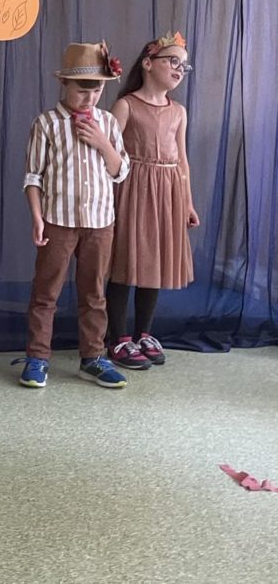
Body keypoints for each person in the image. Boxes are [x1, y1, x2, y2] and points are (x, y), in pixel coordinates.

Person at [13, 42, 131, 389]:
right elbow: (33, 177)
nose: (89, 98)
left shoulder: (108, 123)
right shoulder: (47, 124)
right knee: (45, 292)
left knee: (94, 293)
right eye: (82, 90)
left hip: (100, 222)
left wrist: (102, 143)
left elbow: (120, 171)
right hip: (58, 221)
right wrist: (37, 217)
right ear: (64, 83)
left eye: (96, 91)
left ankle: (93, 357)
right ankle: (37, 358)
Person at [105, 31, 198, 369]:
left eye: (184, 66)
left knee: (154, 262)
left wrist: (187, 202)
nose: (179, 69)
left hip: (168, 193)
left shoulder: (179, 112)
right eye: (173, 61)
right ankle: (117, 337)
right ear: (148, 63)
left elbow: (182, 160)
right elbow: (108, 154)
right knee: (124, 260)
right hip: (132, 189)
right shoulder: (126, 105)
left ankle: (143, 333)